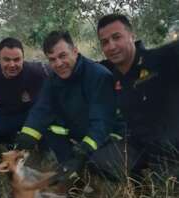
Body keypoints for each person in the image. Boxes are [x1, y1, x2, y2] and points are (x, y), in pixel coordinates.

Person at [15, 31, 120, 186]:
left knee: (104, 170)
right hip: (79, 129)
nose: (58, 64)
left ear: (75, 51)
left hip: (107, 135)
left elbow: (102, 123)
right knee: (49, 128)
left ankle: (84, 167)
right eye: (52, 59)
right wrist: (25, 139)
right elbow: (41, 109)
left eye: (63, 56)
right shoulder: (53, 78)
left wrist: (83, 152)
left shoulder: (98, 75)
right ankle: (70, 169)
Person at [98, 14, 179, 181]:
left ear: (132, 36)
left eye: (116, 37)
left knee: (162, 195)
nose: (111, 46)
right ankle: (138, 183)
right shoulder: (112, 76)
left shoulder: (161, 59)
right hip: (140, 144)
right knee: (100, 163)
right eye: (105, 42)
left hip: (171, 147)